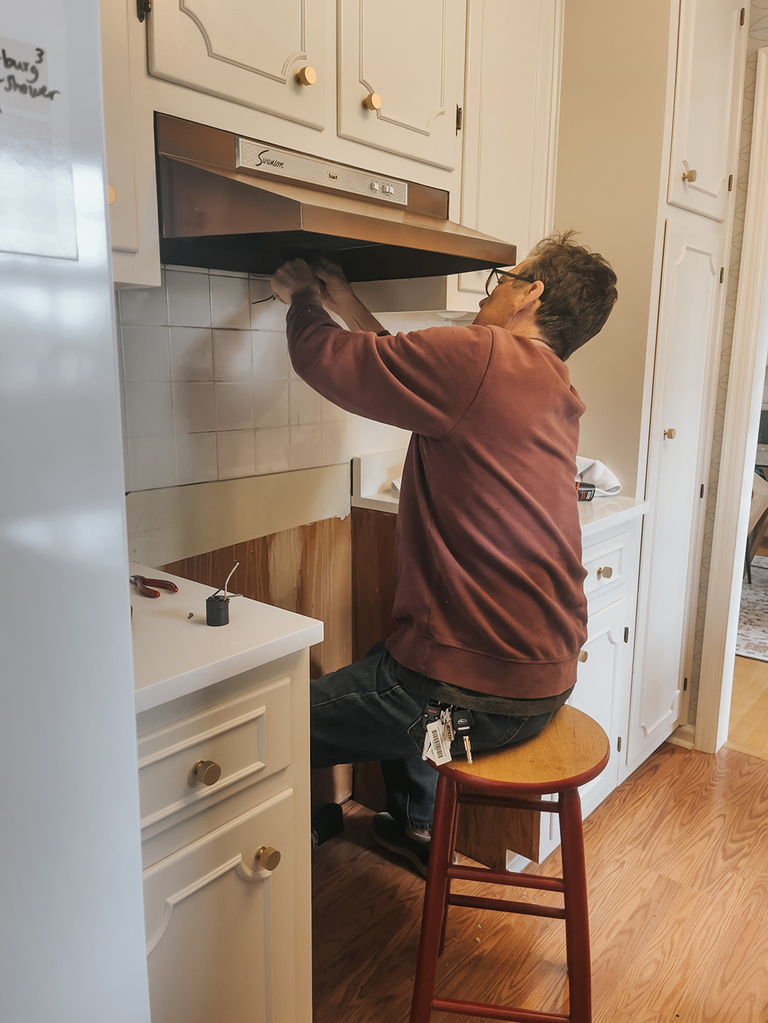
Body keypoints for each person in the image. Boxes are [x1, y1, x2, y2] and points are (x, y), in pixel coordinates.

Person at [270, 232, 618, 876]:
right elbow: (406, 369)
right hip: (541, 685)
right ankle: (417, 827)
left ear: (530, 293)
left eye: (504, 278)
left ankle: (264, 843)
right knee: (397, 653)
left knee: (258, 725)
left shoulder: (482, 356)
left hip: (469, 700)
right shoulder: (546, 381)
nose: (494, 292)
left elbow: (331, 361)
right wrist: (344, 298)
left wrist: (299, 302)